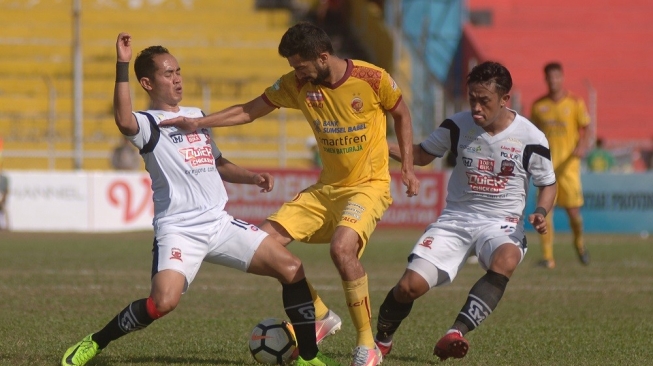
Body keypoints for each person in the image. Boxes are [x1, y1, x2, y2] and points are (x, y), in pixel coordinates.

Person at [61, 33, 339, 366]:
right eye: (168, 74)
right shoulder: (148, 124)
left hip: (219, 223)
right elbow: (122, 119)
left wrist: (250, 177)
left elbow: (217, 163)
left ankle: (309, 356)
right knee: (162, 303)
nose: (177, 79)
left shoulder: (197, 115)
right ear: (147, 83)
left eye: (178, 71)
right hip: (179, 229)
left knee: (291, 268)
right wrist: (122, 63)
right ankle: (96, 341)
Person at [160, 21, 419, 366]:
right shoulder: (297, 84)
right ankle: (321, 314)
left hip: (368, 186)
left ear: (323, 57)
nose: (295, 72)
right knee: (262, 245)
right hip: (325, 190)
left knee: (342, 249)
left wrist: (408, 167)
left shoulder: (372, 78)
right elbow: (250, 110)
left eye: (299, 65)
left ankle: (367, 345)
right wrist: (199, 124)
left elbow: (401, 113)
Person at [372, 61, 557, 361]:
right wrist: (376, 144)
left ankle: (455, 332)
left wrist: (541, 210)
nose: (476, 107)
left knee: (507, 258)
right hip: (455, 220)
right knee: (409, 286)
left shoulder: (531, 138)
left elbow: (548, 183)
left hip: (502, 223)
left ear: (504, 99)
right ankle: (382, 339)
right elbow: (419, 154)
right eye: (472, 98)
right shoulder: (457, 125)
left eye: (484, 100)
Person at [530, 61, 591, 269]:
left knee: (573, 212)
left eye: (557, 76)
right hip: (547, 168)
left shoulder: (575, 102)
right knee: (545, 212)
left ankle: (579, 244)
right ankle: (548, 258)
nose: (554, 80)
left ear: (562, 77)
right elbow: (532, 135)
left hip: (569, 168)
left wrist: (581, 146)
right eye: (550, 77)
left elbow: (585, 128)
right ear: (545, 79)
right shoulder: (539, 106)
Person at [0, 164, 8, 231]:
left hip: (2, 195)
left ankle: (6, 225)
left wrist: (3, 197)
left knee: (4, 210)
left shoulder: (4, 178)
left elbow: (6, 189)